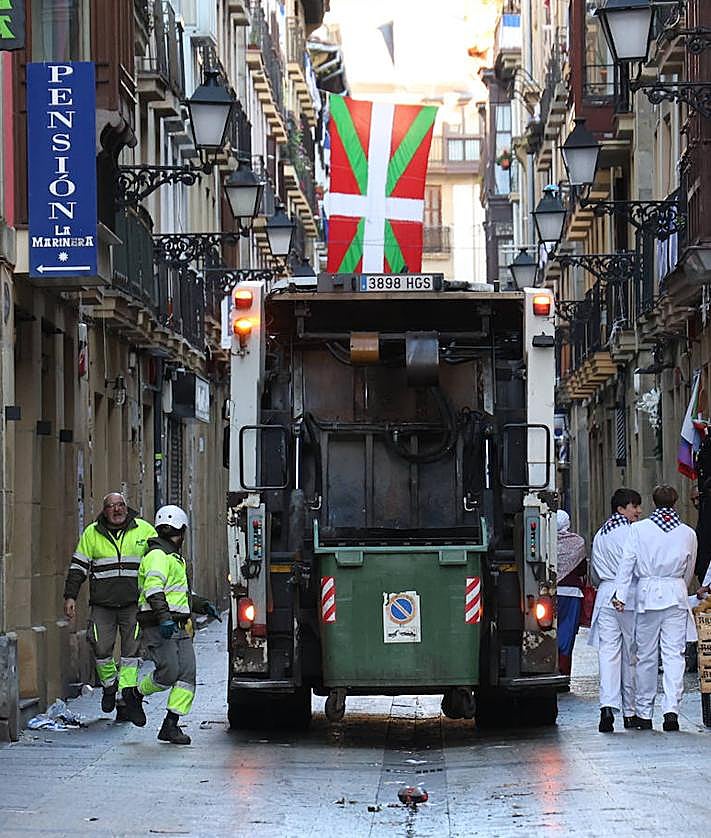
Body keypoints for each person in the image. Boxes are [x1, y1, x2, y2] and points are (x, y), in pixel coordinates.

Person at [122, 505, 219, 744]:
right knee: (168, 673)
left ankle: (171, 725)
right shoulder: (158, 556)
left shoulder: (174, 558)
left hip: (177, 624)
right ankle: (133, 694)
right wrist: (164, 618)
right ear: (181, 531)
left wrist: (202, 605)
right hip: (158, 626)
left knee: (187, 674)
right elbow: (154, 590)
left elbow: (178, 595)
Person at [63, 492, 157, 720]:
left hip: (133, 605)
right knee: (101, 649)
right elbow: (78, 567)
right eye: (111, 506)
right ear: (104, 511)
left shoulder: (144, 530)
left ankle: (127, 697)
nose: (117, 510)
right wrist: (70, 596)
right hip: (103, 605)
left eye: (121, 505)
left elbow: (159, 562)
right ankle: (109, 686)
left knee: (131, 654)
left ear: (127, 507)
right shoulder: (92, 533)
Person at [614, 485, 697, 731]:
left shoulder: (638, 530)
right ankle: (672, 709)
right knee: (674, 655)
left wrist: (620, 595)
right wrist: (680, 585)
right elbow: (689, 569)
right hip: (676, 594)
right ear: (675, 503)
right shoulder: (687, 533)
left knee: (646, 656)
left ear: (653, 503)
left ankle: (643, 711)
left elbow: (627, 564)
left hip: (648, 597)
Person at [588, 488, 642, 732]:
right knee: (631, 654)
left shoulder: (601, 534)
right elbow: (638, 567)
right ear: (621, 509)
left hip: (605, 595)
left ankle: (606, 706)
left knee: (608, 654)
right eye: (634, 506)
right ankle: (630, 711)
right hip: (627, 595)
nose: (638, 511)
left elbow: (595, 573)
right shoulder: (632, 533)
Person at [556, 509, 587, 677]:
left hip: (550, 592)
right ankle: (563, 670)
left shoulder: (545, 540)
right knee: (567, 632)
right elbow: (582, 569)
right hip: (572, 593)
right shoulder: (577, 542)